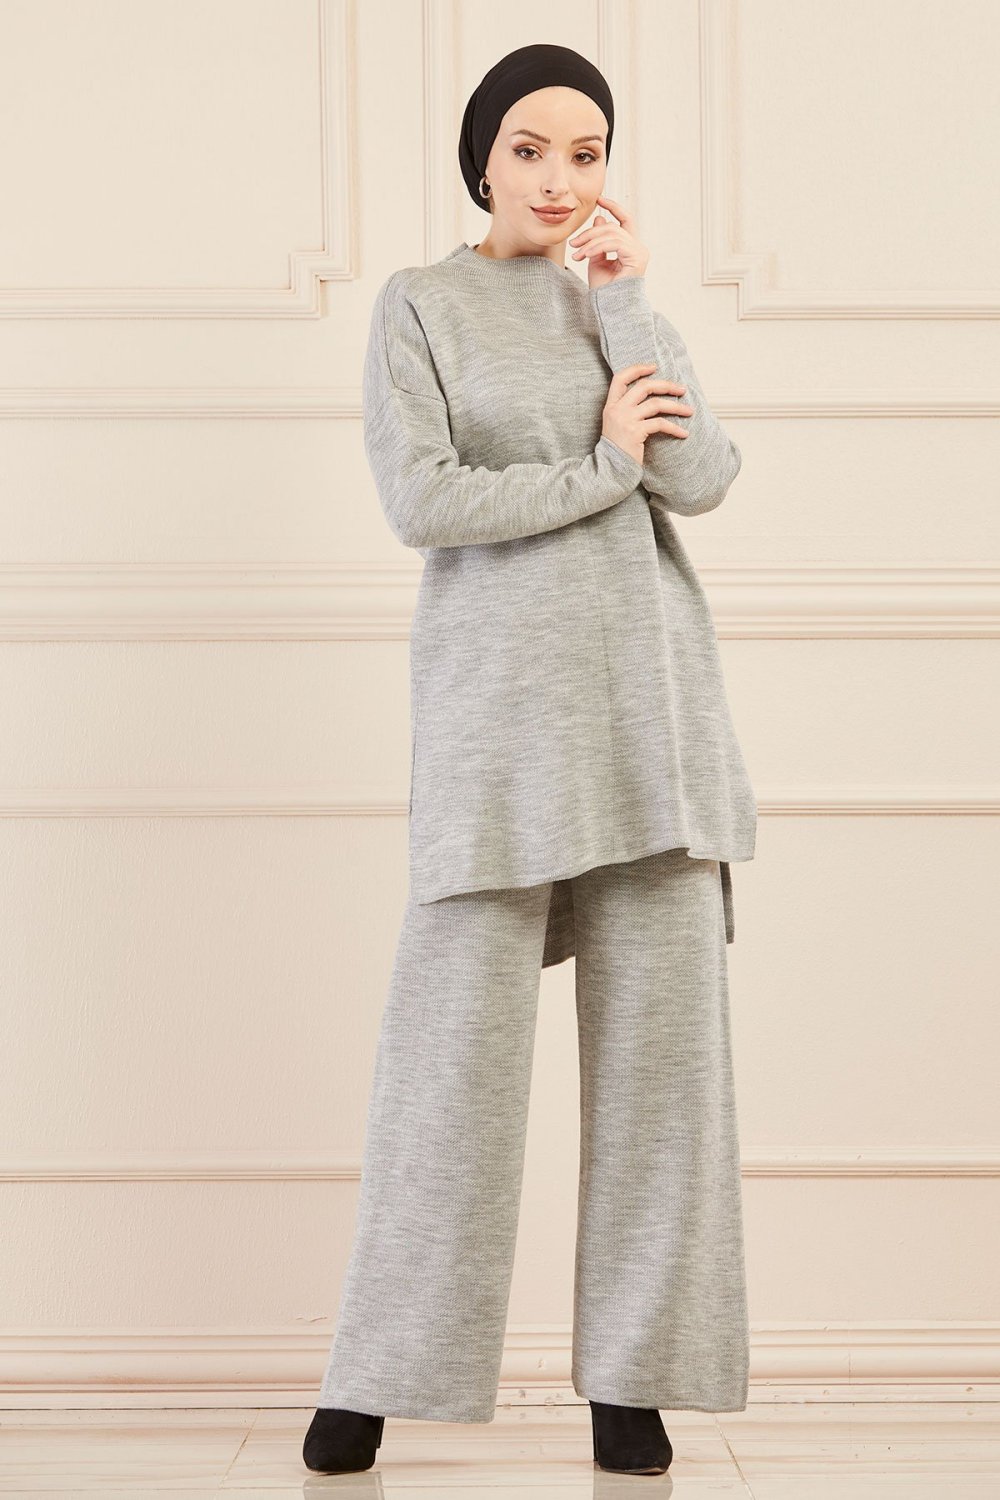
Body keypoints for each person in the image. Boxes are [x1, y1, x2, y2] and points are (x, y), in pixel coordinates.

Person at [303, 42, 754, 1478]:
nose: (561, 179)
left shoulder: (615, 305)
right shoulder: (420, 305)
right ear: (482, 158)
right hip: (500, 734)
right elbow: (424, 501)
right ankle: (377, 1376)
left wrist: (627, 309)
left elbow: (704, 475)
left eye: (588, 152)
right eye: (530, 149)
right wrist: (604, 465)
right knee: (447, 1080)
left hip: (656, 732)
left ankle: (636, 1384)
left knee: (663, 1089)